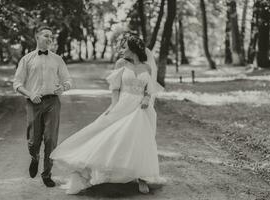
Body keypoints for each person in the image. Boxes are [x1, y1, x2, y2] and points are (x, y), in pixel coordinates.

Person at [50, 34, 162, 194]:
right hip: (123, 103)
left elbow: (149, 90)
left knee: (139, 140)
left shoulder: (147, 67)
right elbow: (115, 89)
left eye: (124, 47)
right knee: (108, 135)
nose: (121, 50)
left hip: (140, 108)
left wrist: (146, 98)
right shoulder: (121, 64)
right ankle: (86, 172)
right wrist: (114, 106)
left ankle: (141, 177)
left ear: (133, 49)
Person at [13, 25, 72, 187]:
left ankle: (47, 173)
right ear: (37, 37)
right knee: (33, 140)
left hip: (53, 102)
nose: (49, 39)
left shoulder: (57, 59)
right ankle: (34, 157)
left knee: (51, 139)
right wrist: (30, 94)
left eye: (51, 36)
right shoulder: (27, 59)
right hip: (33, 103)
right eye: (46, 35)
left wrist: (63, 87)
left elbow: (68, 80)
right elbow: (17, 83)